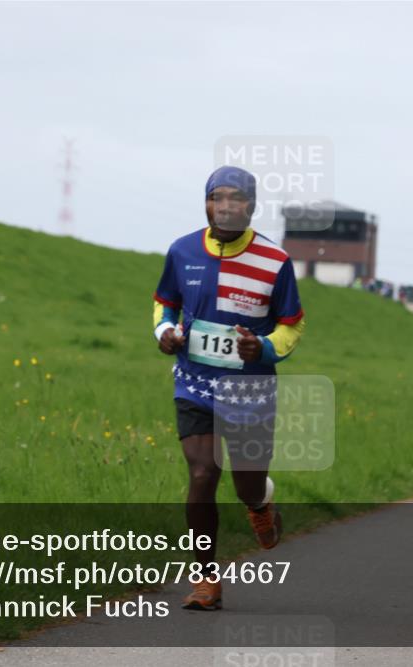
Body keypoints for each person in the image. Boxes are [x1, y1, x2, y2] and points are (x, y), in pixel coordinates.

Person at [152, 165, 306, 611]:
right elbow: (165, 304)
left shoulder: (274, 262)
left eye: (236, 198)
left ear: (252, 206)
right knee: (202, 474)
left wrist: (265, 348)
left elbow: (292, 325)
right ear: (206, 202)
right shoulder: (182, 251)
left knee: (246, 485)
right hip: (194, 383)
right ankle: (205, 580)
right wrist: (164, 333)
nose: (226, 205)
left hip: (250, 391)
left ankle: (261, 505)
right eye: (217, 197)